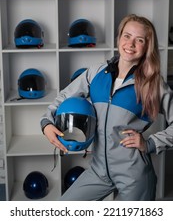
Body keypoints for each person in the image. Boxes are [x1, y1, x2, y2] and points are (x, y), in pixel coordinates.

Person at [40, 14, 173, 201]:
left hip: (134, 176)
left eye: (139, 40)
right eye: (127, 36)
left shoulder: (152, 84)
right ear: (119, 38)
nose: (131, 44)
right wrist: (46, 123)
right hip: (99, 170)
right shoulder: (96, 73)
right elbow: (63, 97)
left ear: (147, 46)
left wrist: (150, 143)